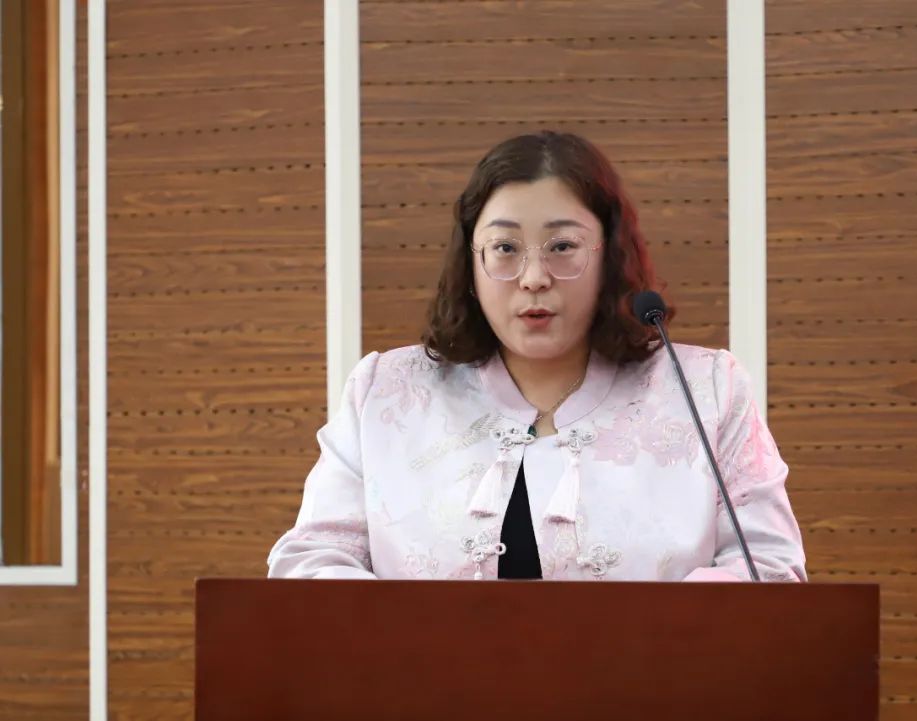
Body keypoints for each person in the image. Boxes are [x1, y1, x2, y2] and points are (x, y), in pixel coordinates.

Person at [267, 131, 806, 582]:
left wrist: (646, 639)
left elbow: (769, 567)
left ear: (610, 258)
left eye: (562, 247)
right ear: (471, 263)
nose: (533, 278)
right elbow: (310, 561)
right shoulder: (385, 391)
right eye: (504, 248)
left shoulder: (707, 389)